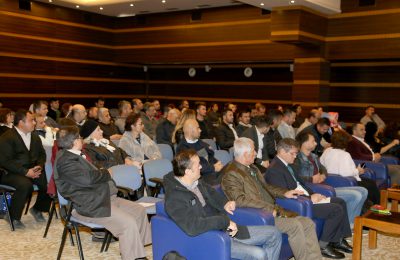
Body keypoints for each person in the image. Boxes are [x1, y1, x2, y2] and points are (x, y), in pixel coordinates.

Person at [164, 149, 282, 260]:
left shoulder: (196, 182)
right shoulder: (175, 198)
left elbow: (212, 193)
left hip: (228, 229)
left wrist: (224, 203)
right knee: (259, 254)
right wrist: (224, 222)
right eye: (198, 165)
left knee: (274, 233)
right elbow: (193, 227)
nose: (201, 167)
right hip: (214, 237)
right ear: (188, 171)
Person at [54, 126, 151, 260]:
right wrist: (106, 173)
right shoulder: (65, 161)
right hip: (89, 205)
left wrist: (102, 173)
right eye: (79, 137)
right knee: (127, 222)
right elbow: (87, 179)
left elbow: (90, 175)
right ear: (75, 141)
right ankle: (133, 257)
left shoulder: (75, 155)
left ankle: (136, 251)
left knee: (139, 211)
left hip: (104, 198)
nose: (82, 139)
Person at [221, 137, 322, 260]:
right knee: (295, 225)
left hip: (272, 210)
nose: (256, 153)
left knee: (308, 223)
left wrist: (284, 192)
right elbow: (240, 200)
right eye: (254, 150)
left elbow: (266, 187)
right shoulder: (231, 174)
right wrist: (268, 208)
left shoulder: (252, 168)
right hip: (260, 215)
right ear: (246, 154)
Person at [265, 138, 352, 259]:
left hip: (306, 198)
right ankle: (323, 245)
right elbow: (286, 194)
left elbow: (302, 185)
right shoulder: (275, 169)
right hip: (299, 204)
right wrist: (309, 198)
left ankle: (338, 240)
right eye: (293, 153)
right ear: (282, 152)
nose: (295, 156)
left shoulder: (289, 165)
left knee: (340, 201)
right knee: (335, 209)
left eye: (296, 153)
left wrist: (314, 194)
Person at [294, 131, 368, 225]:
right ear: (304, 143)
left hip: (325, 185)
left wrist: (323, 175)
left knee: (363, 191)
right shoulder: (297, 158)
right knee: (356, 195)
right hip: (316, 190)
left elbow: (323, 168)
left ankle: (352, 223)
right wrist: (311, 179)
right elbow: (296, 177)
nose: (316, 143)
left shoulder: (313, 156)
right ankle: (349, 224)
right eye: (313, 141)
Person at [0, 110, 51, 228]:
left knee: (48, 184)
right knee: (25, 185)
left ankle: (37, 209)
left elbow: (42, 154)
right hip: (10, 172)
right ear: (21, 123)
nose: (34, 122)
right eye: (31, 120)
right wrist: (25, 172)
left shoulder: (34, 136)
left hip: (32, 170)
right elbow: (5, 161)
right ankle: (13, 216)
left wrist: (39, 166)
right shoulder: (7, 137)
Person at [321, 130, 381, 205]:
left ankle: (371, 206)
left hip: (330, 181)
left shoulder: (327, 151)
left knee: (369, 182)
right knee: (371, 185)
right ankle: (377, 207)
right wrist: (358, 170)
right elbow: (346, 173)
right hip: (346, 182)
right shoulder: (345, 154)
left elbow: (321, 165)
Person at [176, 119, 223, 185]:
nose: (200, 130)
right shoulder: (182, 148)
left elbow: (208, 157)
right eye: (197, 128)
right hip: (200, 178)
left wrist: (217, 162)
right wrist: (213, 168)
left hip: (211, 173)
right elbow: (194, 167)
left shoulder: (199, 142)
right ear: (191, 130)